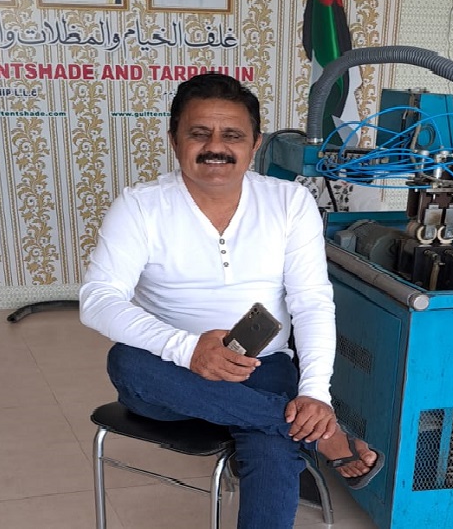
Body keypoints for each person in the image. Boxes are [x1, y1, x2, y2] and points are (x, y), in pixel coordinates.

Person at [79, 73, 384, 529]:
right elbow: (97, 299)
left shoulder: (289, 202)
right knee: (127, 362)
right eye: (199, 133)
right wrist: (188, 349)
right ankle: (320, 435)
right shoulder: (141, 206)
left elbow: (312, 302)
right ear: (174, 140)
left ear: (255, 143)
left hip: (264, 366)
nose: (215, 147)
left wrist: (314, 394)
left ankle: (290, 423)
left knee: (273, 445)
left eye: (232, 135)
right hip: (172, 375)